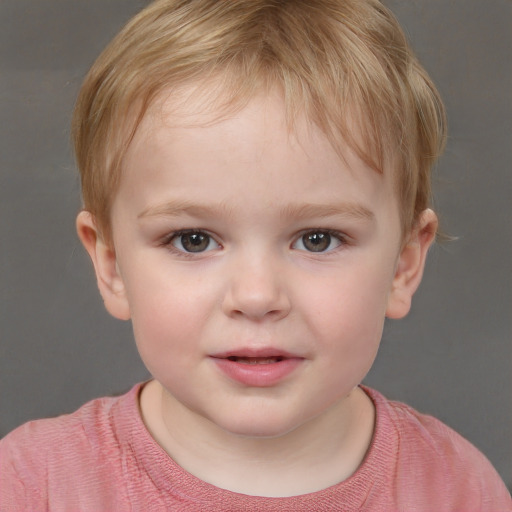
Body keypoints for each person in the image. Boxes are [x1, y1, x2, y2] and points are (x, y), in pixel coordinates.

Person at [1, 0, 510, 510]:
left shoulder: (456, 488)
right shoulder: (33, 485)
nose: (257, 296)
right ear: (111, 265)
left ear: (403, 264)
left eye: (318, 239)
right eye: (193, 239)